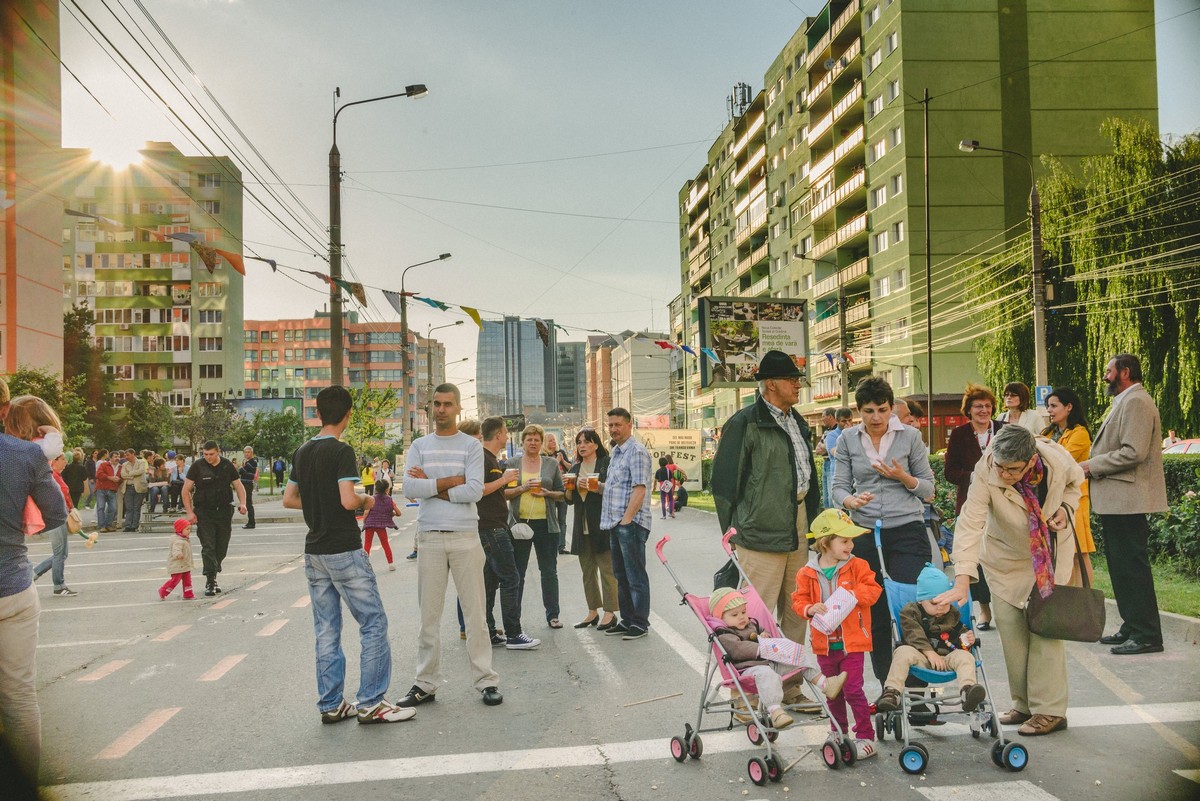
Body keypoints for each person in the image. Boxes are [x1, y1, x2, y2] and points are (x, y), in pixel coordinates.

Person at [283, 385, 415, 725]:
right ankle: (371, 702)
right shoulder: (341, 451)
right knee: (373, 622)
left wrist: (317, 502)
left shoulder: (302, 452)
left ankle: (331, 704)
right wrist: (366, 501)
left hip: (314, 552)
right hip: (343, 547)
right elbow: (346, 499)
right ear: (348, 414)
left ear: (318, 414)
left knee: (326, 628)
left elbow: (289, 499)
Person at [940, 424, 1082, 736]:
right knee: (1012, 632)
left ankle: (1050, 711)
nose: (1004, 474)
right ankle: (1024, 704)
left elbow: (1075, 485)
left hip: (1048, 555)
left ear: (1031, 461)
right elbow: (970, 521)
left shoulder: (1056, 459)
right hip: (1005, 559)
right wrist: (962, 577)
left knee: (1046, 631)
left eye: (1013, 469)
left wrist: (1066, 507)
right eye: (1000, 467)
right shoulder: (987, 467)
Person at [398, 383, 501, 708]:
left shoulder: (470, 447)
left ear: (458, 408)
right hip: (429, 538)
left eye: (447, 404)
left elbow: (474, 491)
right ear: (431, 408)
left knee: (475, 615)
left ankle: (486, 681)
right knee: (428, 618)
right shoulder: (419, 445)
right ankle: (425, 684)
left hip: (465, 537)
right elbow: (409, 487)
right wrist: (447, 482)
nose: (441, 409)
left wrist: (431, 486)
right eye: (437, 404)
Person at [711, 351, 820, 648]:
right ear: (771, 384)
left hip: (797, 524)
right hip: (759, 530)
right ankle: (752, 691)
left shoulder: (797, 422)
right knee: (755, 615)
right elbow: (722, 484)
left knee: (798, 610)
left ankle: (790, 687)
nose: (799, 385)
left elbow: (808, 478)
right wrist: (731, 531)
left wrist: (813, 527)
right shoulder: (745, 423)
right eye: (792, 380)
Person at [832, 376, 936, 683]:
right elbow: (838, 486)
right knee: (874, 612)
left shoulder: (911, 437)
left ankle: (916, 688)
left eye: (882, 410)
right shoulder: (848, 439)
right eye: (868, 411)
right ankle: (887, 687)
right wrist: (851, 500)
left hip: (907, 529)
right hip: (865, 533)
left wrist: (903, 476)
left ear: (892, 409)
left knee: (909, 608)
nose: (876, 418)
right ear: (858, 411)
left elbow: (928, 489)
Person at [0, 378, 68, 785]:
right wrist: (45, 450)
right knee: (19, 696)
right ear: (5, 407)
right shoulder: (24, 456)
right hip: (12, 587)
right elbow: (57, 514)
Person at [1082, 354, 1168, 656]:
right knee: (1121, 569)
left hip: (1129, 501)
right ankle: (1133, 626)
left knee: (1131, 568)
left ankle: (1146, 634)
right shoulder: (1125, 401)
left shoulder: (1137, 402)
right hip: (1118, 502)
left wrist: (1090, 466)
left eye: (1109, 371)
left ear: (1125, 372)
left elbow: (1134, 452)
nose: (1105, 376)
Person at [792, 509, 883, 757]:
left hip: (851, 643)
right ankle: (838, 731)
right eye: (844, 540)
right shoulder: (806, 572)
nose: (850, 545)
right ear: (825, 542)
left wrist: (855, 595)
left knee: (853, 689)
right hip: (824, 644)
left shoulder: (858, 566)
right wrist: (809, 608)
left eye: (851, 540)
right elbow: (798, 601)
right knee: (832, 692)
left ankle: (866, 736)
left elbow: (874, 590)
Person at [710, 586, 846, 732]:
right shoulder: (725, 634)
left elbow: (763, 631)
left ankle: (825, 684)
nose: (742, 617)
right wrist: (761, 648)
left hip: (771, 663)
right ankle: (776, 712)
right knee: (767, 675)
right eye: (734, 614)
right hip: (750, 669)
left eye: (744, 612)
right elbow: (738, 649)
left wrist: (765, 636)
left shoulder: (751, 623)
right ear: (721, 617)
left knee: (798, 655)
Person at [874, 563, 985, 715]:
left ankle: (968, 690)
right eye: (934, 603)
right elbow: (913, 633)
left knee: (966, 656)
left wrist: (966, 640)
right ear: (920, 600)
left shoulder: (952, 614)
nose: (940, 607)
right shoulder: (911, 612)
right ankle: (892, 692)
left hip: (947, 658)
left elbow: (960, 633)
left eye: (944, 602)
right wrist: (929, 653)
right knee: (902, 651)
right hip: (921, 658)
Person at [943, 383, 1004, 630]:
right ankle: (984, 609)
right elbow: (949, 472)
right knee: (974, 558)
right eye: (978, 406)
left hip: (1001, 503)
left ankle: (1007, 606)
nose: (984, 410)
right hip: (970, 503)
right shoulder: (959, 435)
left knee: (999, 555)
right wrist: (974, 477)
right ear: (968, 410)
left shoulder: (1003, 430)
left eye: (988, 406)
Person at [474, 417, 539, 650]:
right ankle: (514, 634)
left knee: (490, 582)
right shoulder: (481, 457)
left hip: (494, 526)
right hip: (491, 528)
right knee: (511, 578)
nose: (506, 435)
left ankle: (489, 632)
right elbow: (477, 490)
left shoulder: (490, 458)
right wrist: (504, 479)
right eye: (504, 432)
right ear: (500, 434)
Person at [599, 407, 654, 641]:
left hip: (630, 524)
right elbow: (616, 488)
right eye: (610, 425)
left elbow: (639, 489)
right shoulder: (617, 453)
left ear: (629, 425)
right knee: (621, 575)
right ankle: (627, 620)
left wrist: (627, 520)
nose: (613, 429)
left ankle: (640, 623)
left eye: (618, 425)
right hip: (615, 523)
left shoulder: (636, 452)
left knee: (635, 575)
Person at [505, 425, 566, 629]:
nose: (533, 443)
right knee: (517, 573)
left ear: (541, 443)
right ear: (523, 442)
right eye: (529, 439)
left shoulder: (550, 464)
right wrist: (523, 488)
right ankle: (515, 618)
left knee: (549, 571)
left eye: (536, 440)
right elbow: (503, 493)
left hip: (546, 525)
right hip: (519, 524)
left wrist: (547, 493)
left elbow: (563, 493)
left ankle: (553, 614)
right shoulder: (513, 463)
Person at [564, 428, 618, 630]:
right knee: (587, 571)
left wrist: (597, 486)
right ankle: (592, 611)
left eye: (586, 442)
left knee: (607, 570)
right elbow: (569, 501)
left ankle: (610, 612)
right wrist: (568, 489)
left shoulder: (606, 464)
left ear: (595, 444)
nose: (582, 446)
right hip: (582, 525)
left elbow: (613, 490)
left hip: (602, 524)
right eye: (579, 442)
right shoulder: (575, 469)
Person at [1042, 388, 1095, 585]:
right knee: (1062, 553)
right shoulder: (1047, 432)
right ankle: (1070, 603)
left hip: (1075, 500)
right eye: (1048, 406)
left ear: (1069, 407)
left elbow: (1061, 462)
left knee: (1079, 552)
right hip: (1053, 499)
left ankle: (1084, 598)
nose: (1050, 410)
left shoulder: (1079, 433)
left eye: (1054, 406)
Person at [183, 441, 248, 597]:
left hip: (224, 512)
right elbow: (185, 490)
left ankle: (214, 570)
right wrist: (190, 512)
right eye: (205, 454)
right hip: (204, 513)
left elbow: (239, 486)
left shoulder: (227, 466)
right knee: (208, 546)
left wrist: (243, 503)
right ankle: (210, 580)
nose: (208, 457)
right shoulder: (197, 466)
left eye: (211, 454)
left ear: (218, 452)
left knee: (221, 547)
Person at [361, 480, 400, 571]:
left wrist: (364, 521)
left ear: (376, 488)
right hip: (381, 525)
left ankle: (365, 565)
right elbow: (398, 513)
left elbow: (366, 512)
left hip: (370, 524)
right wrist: (392, 514)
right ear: (387, 489)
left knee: (367, 544)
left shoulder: (371, 498)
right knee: (385, 543)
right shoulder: (389, 499)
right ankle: (391, 564)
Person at [544, 434, 572, 553]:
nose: (553, 442)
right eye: (550, 441)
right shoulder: (544, 456)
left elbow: (571, 468)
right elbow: (547, 471)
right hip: (550, 491)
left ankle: (561, 546)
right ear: (546, 443)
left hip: (563, 489)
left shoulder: (561, 452)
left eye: (554, 440)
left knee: (562, 519)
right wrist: (557, 461)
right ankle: (552, 544)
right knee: (551, 518)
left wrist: (563, 460)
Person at [159, 518, 196, 600]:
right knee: (175, 580)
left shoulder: (184, 539)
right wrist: (178, 554)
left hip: (185, 564)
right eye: (187, 529)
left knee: (187, 580)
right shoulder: (178, 541)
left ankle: (188, 593)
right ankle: (163, 590)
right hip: (177, 565)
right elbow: (176, 550)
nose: (189, 531)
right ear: (180, 529)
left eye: (190, 529)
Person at [814, 408, 840, 509]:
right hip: (825, 464)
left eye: (823, 416)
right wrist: (827, 446)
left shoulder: (838, 431)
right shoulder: (826, 432)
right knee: (825, 497)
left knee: (831, 497)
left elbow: (828, 448)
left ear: (830, 417)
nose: (822, 419)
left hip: (832, 464)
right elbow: (817, 450)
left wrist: (826, 446)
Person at [120, 448, 149, 531]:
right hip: (128, 487)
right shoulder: (125, 464)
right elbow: (123, 475)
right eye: (125, 455)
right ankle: (128, 525)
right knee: (129, 507)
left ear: (133, 454)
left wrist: (130, 473)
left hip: (139, 487)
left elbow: (140, 471)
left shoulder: (141, 462)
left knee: (136, 507)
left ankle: (134, 526)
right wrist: (132, 475)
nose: (126, 457)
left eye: (128, 455)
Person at [94, 450, 120, 532]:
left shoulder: (120, 467)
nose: (117, 458)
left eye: (118, 456)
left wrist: (119, 479)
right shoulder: (104, 464)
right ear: (111, 458)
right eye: (115, 457)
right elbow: (98, 475)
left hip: (112, 489)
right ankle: (102, 526)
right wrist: (110, 477)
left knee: (113, 508)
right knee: (100, 507)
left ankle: (108, 524)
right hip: (101, 489)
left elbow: (122, 477)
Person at [240, 446, 259, 529]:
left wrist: (242, 469)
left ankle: (252, 522)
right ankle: (250, 521)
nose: (247, 454)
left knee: (248, 503)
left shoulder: (252, 462)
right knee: (246, 503)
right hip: (244, 483)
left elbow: (247, 473)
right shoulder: (246, 462)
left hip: (248, 484)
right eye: (245, 452)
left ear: (252, 453)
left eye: (248, 452)